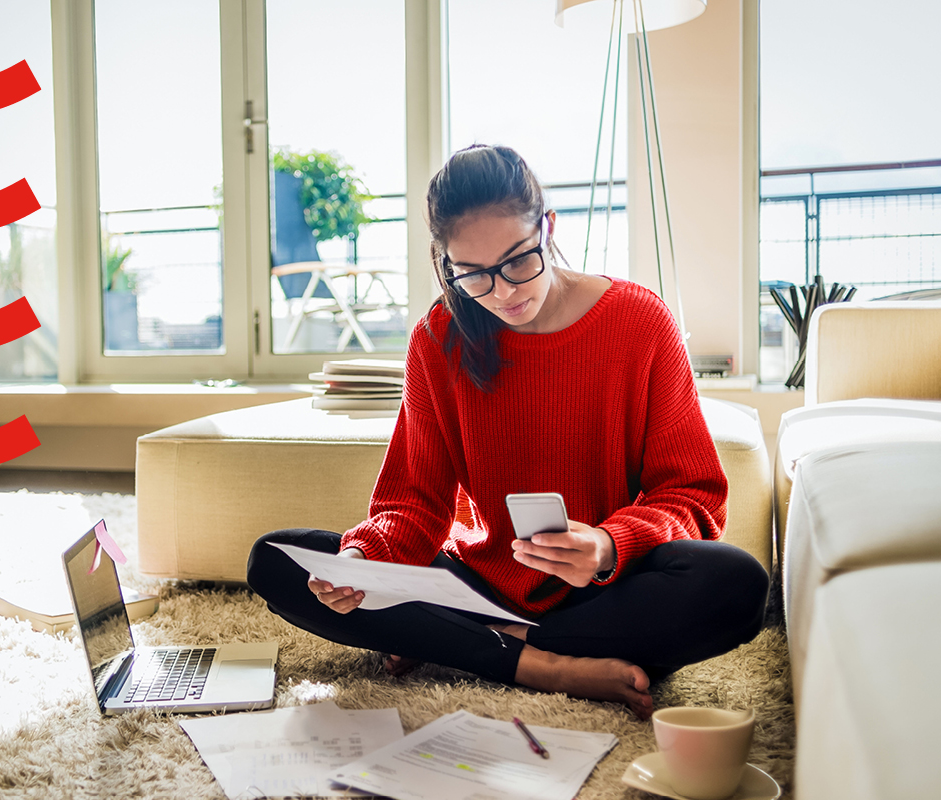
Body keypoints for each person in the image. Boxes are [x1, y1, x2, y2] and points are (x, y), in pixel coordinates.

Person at [246, 144, 768, 719]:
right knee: (276, 559)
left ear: (547, 227)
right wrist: (365, 558)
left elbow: (692, 495)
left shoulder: (642, 323)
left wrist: (608, 546)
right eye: (471, 275)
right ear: (446, 263)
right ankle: (543, 664)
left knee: (736, 584)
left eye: (519, 261)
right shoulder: (438, 338)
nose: (504, 292)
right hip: (474, 585)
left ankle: (468, 645)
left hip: (600, 592)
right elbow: (414, 503)